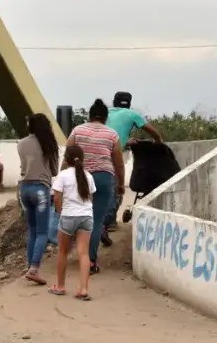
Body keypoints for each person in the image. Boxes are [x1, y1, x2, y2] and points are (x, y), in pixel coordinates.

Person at [66, 99, 125, 275]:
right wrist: (121, 184)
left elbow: (67, 158)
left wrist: (61, 180)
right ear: (105, 118)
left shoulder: (77, 131)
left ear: (89, 116)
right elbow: (119, 163)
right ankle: (90, 261)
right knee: (96, 220)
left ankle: (75, 252)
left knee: (78, 215)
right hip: (103, 179)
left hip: (79, 178)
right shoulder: (112, 134)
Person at [104, 91, 163, 233]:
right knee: (117, 188)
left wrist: (126, 141)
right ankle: (110, 222)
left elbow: (112, 133)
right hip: (113, 155)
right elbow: (150, 130)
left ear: (114, 101)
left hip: (95, 152)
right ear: (129, 103)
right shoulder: (132, 114)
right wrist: (159, 140)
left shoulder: (105, 113)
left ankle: (96, 221)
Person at [49, 144, 97, 300]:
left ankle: (60, 286)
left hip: (68, 216)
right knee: (84, 253)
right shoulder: (88, 176)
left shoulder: (62, 175)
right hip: (86, 217)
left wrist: (60, 212)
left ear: (66, 159)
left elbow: (57, 198)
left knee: (63, 251)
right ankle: (83, 289)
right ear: (82, 159)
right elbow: (91, 198)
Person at [17, 113, 59, 285]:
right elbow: (54, 171)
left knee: (32, 231)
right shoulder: (48, 143)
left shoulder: (21, 143)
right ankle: (34, 269)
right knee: (42, 232)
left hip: (24, 189)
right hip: (41, 189)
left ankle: (30, 267)